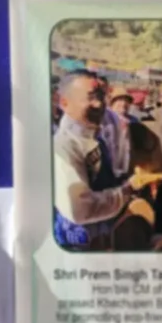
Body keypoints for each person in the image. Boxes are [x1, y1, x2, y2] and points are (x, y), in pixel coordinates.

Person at [51, 70, 134, 250]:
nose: (99, 104)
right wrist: (127, 191)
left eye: (101, 97)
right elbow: (80, 209)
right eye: (90, 98)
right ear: (64, 102)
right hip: (79, 248)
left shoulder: (93, 137)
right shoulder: (64, 146)